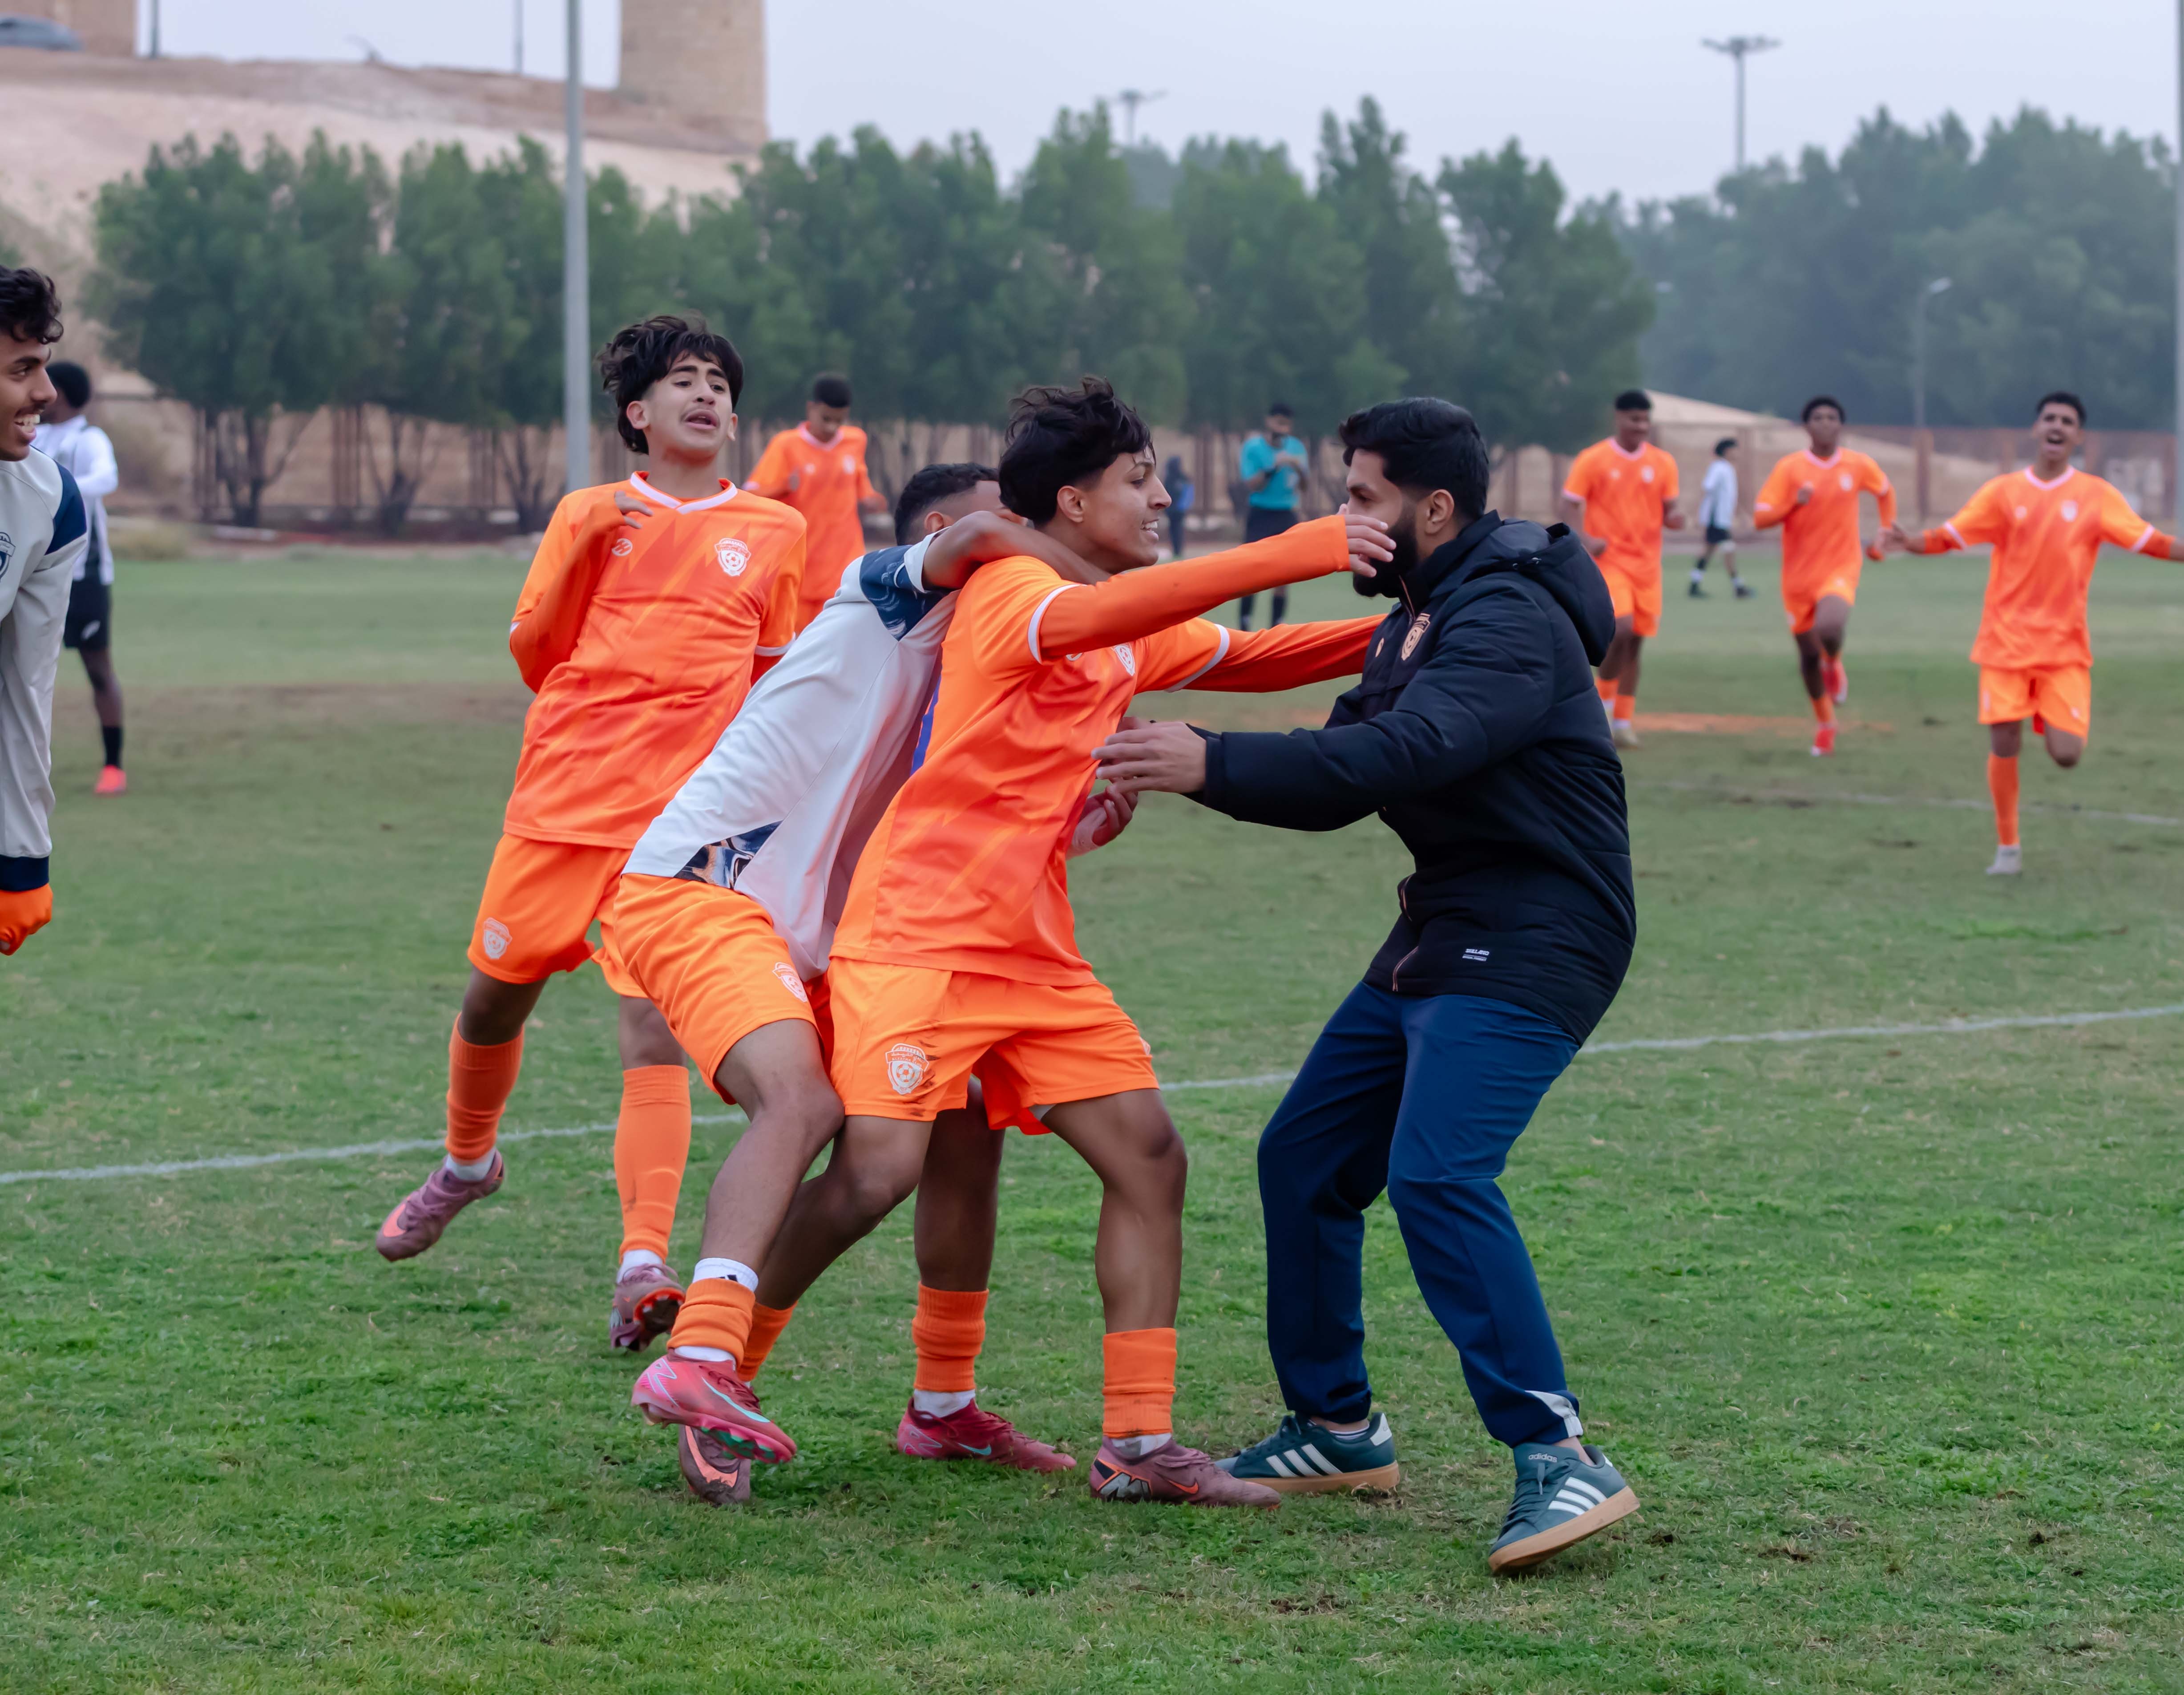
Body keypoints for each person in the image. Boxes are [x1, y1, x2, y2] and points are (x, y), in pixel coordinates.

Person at [629, 377, 1395, 1510]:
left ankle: (1135, 1440)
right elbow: (1082, 616)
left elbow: (1250, 658)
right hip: (917, 939)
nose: (1162, 498)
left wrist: (1440, 628)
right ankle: (718, 1370)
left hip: (1033, 953)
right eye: (1140, 481)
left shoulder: (1126, 624)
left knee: (1148, 1155)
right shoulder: (1012, 592)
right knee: (876, 1169)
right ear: (1074, 502)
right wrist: (1312, 544)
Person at [1094, 397, 1641, 1574]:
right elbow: (1340, 776)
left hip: (1543, 927)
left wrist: (1211, 762)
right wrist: (1185, 758)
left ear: (1431, 508)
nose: (1345, 520)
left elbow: (1409, 752)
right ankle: (1338, 1426)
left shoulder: (1504, 617)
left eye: (1361, 499)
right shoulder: (1414, 620)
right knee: (1304, 1159)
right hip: (1446, 922)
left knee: (1438, 1172)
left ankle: (1559, 1456)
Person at [612, 461, 1126, 1503]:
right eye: (1008, 518)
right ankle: (710, 1358)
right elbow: (984, 542)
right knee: (800, 1102)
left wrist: (1076, 822)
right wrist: (1089, 560)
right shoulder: (884, 592)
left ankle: (941, 1408)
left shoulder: (972, 654)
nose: (1019, 539)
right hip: (708, 885)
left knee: (969, 1113)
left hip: (836, 938)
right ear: (950, 527)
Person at [372, 317, 807, 1367]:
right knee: (494, 995)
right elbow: (540, 645)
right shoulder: (591, 514)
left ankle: (641, 1265)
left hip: (678, 827)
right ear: (637, 414)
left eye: (719, 383)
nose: (706, 397)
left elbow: (776, 675)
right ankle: (468, 1163)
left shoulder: (775, 531)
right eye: (682, 383)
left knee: (651, 1029)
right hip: (562, 804)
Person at [1878, 391, 2176, 876]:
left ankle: (2044, 708)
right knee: (2004, 742)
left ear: (2078, 437)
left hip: (2063, 650)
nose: (2057, 426)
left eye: (2068, 421)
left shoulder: (2096, 496)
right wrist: (1910, 542)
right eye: (2049, 418)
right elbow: (1951, 535)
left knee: (2066, 755)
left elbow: (2151, 541)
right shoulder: (2003, 493)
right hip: (2004, 644)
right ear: (2036, 430)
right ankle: (2008, 846)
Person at [0, 267, 87, 957]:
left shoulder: (51, 503)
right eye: (20, 369)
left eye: (43, 366)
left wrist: (23, 858)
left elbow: (23, 686)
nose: (45, 393)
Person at [1751, 396, 1896, 757]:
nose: (1825, 422)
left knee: (1829, 629)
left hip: (1840, 566)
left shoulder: (1857, 464)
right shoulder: (1790, 469)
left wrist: (1884, 533)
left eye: (1832, 417)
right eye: (1818, 417)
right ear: (1807, 426)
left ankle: (1835, 661)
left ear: (1840, 425)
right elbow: (1761, 518)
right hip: (1797, 576)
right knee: (1806, 657)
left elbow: (1885, 492)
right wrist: (1793, 504)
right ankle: (1826, 725)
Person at [1558, 389, 1683, 750]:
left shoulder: (1663, 463)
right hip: (1610, 562)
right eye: (1634, 420)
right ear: (1619, 419)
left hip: (1647, 566)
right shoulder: (1593, 459)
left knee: (1636, 645)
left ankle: (1624, 723)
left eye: (1645, 421)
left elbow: (1671, 509)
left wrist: (1678, 518)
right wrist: (1583, 538)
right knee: (1621, 630)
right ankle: (1600, 708)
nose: (1640, 427)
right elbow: (1568, 504)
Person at [31, 362, 125, 795]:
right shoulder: (33, 435)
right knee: (22, 673)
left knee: (97, 668)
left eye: (48, 384)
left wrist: (61, 488)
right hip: (33, 572)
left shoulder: (89, 439)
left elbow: (107, 477)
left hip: (83, 573)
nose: (40, 392)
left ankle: (113, 766)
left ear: (62, 393)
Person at [745, 372, 889, 632]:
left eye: (839, 420)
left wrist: (870, 498)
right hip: (801, 568)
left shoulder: (855, 440)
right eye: (826, 419)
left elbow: (859, 482)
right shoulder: (786, 445)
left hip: (844, 566)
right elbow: (751, 497)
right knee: (795, 649)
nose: (832, 427)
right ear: (811, 409)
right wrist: (783, 486)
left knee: (843, 642)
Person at [1236, 402, 1310, 629]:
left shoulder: (1296, 448)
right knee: (1251, 570)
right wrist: (1274, 466)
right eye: (1279, 422)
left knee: (1285, 572)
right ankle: (1245, 622)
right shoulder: (1253, 448)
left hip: (1286, 514)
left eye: (1287, 424)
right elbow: (1253, 485)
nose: (1283, 428)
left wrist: (1299, 469)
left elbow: (1305, 486)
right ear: (1269, 422)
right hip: (1261, 512)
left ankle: (1277, 624)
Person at [1689, 436, 1749, 599]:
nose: (1739, 453)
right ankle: (1738, 587)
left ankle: (1694, 585)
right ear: (1728, 451)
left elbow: (1729, 496)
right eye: (1736, 449)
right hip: (1716, 519)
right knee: (1729, 549)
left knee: (1708, 551)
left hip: (1721, 519)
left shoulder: (1727, 468)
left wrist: (1741, 513)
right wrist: (1696, 514)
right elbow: (1708, 489)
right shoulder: (1719, 468)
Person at [1162, 452, 1193, 558]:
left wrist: (1185, 505)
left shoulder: (1183, 478)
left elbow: (1189, 493)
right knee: (1173, 530)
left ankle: (1179, 550)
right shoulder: (1169, 479)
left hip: (1180, 509)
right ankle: (1175, 550)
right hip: (1171, 510)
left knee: (1178, 529)